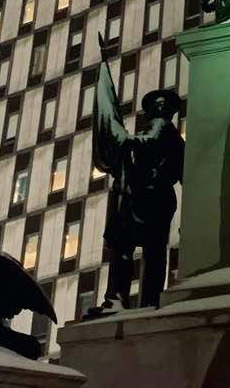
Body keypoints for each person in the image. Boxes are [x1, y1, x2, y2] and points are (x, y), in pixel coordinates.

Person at [89, 54, 185, 316]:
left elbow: (147, 142)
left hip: (147, 198)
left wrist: (123, 139)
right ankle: (147, 301)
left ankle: (118, 299)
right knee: (152, 252)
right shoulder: (175, 138)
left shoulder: (161, 126)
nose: (159, 107)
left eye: (163, 104)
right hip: (157, 198)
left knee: (125, 246)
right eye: (156, 104)